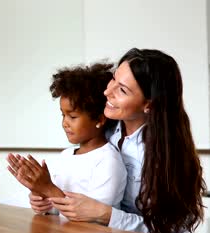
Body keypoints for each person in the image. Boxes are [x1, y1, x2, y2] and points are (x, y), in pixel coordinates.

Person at [23, 48, 206, 233]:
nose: (107, 92)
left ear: (149, 105)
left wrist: (106, 215)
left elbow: (171, 229)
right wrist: (47, 200)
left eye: (122, 90)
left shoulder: (168, 155)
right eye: (113, 80)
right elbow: (80, 197)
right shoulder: (102, 131)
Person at [7, 63, 127, 214]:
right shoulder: (66, 156)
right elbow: (57, 208)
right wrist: (40, 197)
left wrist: (48, 188)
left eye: (72, 116)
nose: (65, 123)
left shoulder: (108, 161)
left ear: (99, 119)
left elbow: (93, 217)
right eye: (63, 115)